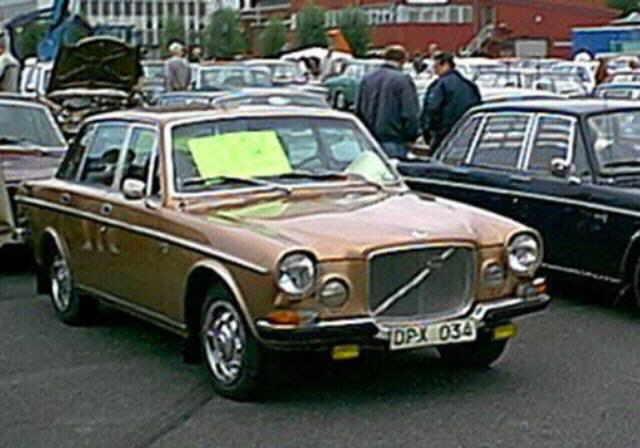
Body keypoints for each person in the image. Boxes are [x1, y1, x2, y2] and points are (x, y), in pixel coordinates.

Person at [355, 45, 420, 159]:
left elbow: (358, 109)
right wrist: (411, 136)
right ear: (403, 60)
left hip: (368, 138)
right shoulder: (403, 80)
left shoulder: (367, 78)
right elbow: (410, 113)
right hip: (394, 139)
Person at [421, 51, 481, 150]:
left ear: (445, 64)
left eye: (436, 66)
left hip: (444, 134)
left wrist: (427, 131)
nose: (435, 70)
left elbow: (432, 109)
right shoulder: (469, 85)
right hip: (466, 133)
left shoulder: (440, 85)